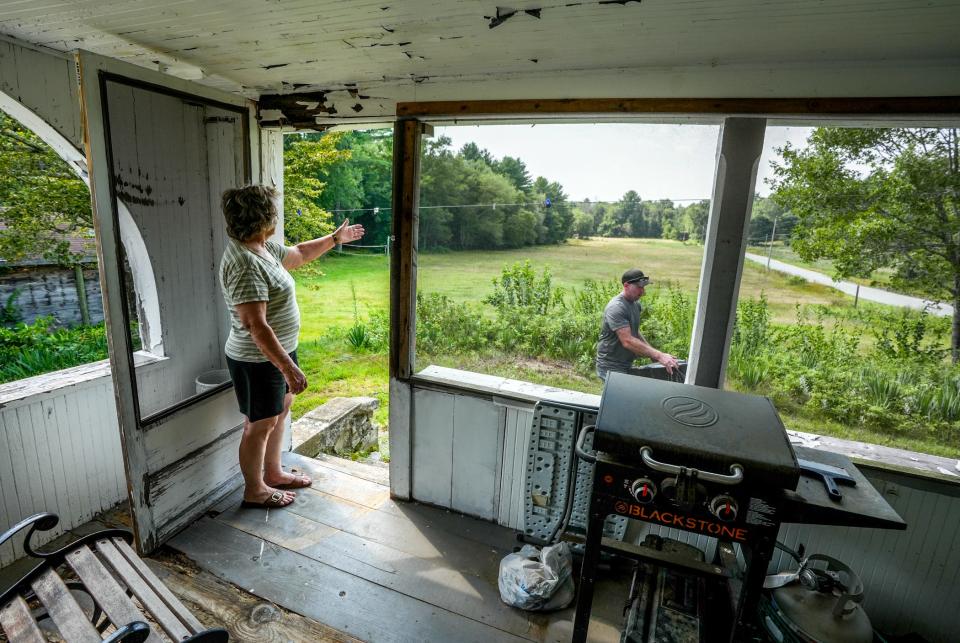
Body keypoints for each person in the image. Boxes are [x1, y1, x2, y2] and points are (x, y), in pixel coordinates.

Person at [218, 185, 364, 508]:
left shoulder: (262, 248)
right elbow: (255, 326)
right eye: (272, 210)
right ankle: (254, 489)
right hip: (258, 359)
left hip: (277, 352)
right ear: (262, 218)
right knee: (259, 424)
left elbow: (298, 254)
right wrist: (287, 366)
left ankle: (273, 472)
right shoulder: (245, 263)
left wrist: (334, 239)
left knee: (280, 412)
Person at [595, 268, 679, 381]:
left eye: (643, 287)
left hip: (626, 364)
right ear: (626, 285)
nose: (643, 292)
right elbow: (628, 341)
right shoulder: (616, 307)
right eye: (639, 287)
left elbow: (635, 332)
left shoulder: (635, 305)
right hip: (610, 366)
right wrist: (659, 355)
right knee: (620, 397)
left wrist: (653, 355)